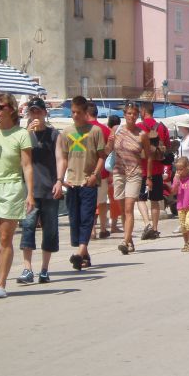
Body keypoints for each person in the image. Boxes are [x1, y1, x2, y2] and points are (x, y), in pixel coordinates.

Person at [16, 98, 63, 285]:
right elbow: (17, 158)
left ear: (44, 113)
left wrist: (59, 180)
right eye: (32, 111)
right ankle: (27, 269)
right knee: (28, 227)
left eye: (38, 111)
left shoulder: (54, 134)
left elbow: (60, 158)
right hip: (30, 190)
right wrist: (26, 134)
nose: (35, 115)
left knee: (49, 230)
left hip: (49, 188)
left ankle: (44, 269)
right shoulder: (23, 135)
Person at [0, 94, 34, 298]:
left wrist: (30, 194)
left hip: (12, 186)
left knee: (5, 237)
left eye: (0, 107)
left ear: (11, 109)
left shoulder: (21, 134)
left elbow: (27, 166)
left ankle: (1, 284)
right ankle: (0, 270)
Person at [60, 96, 105, 269]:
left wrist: (94, 175)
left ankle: (79, 254)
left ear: (86, 112)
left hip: (88, 182)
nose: (75, 115)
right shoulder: (66, 132)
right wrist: (61, 179)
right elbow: (64, 158)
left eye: (78, 112)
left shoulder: (95, 131)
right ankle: (84, 255)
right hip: (72, 182)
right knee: (75, 219)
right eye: (73, 112)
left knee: (87, 218)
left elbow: (102, 157)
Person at [108, 101, 150, 255]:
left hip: (134, 173)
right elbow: (107, 151)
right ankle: (130, 240)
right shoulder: (116, 130)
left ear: (138, 116)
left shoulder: (142, 135)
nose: (132, 116)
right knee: (122, 209)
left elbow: (148, 156)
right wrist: (110, 141)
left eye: (134, 114)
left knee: (129, 207)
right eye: (129, 113)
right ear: (124, 115)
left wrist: (149, 176)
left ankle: (125, 241)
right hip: (119, 172)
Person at [137, 100, 171, 240]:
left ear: (144, 111)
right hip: (158, 169)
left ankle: (147, 224)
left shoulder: (139, 127)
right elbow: (167, 147)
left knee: (140, 198)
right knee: (155, 200)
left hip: (142, 168)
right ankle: (155, 229)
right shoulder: (162, 127)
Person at [86, 102, 111, 239]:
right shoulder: (105, 129)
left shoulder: (84, 129)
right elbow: (110, 152)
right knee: (102, 202)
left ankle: (92, 230)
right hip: (103, 172)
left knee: (89, 202)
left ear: (86, 113)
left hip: (88, 171)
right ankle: (102, 228)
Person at [171, 157, 189, 252]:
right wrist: (176, 181)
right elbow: (173, 191)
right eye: (177, 169)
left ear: (187, 167)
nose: (179, 171)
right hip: (180, 206)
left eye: (181, 169)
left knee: (188, 224)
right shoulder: (177, 179)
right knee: (183, 226)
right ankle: (186, 242)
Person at [106, 114, 122, 233]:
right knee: (114, 199)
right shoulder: (117, 132)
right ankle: (114, 225)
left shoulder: (105, 131)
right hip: (112, 169)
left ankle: (99, 225)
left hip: (102, 169)